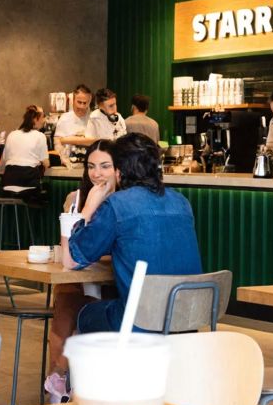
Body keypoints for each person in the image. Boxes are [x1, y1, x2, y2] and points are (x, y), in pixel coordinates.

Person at [62, 133, 202, 333]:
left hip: (139, 324)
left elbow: (71, 261)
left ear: (119, 171)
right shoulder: (182, 202)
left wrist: (88, 208)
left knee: (82, 311)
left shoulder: (118, 204)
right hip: (186, 323)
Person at [43, 138, 118, 404]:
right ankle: (60, 378)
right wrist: (87, 208)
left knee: (83, 301)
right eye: (91, 166)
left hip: (115, 280)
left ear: (118, 169)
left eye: (105, 166)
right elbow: (69, 252)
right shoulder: (75, 199)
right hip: (83, 273)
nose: (97, 174)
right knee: (67, 297)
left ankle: (66, 379)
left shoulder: (123, 202)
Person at [0, 105, 50, 190]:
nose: (44, 120)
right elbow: (46, 163)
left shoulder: (12, 134)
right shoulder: (40, 136)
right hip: (29, 182)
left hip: (8, 181)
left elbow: (4, 160)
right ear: (35, 119)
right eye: (43, 117)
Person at [54, 83, 94, 164]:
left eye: (85, 103)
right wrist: (62, 157)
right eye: (79, 102)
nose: (82, 106)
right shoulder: (64, 119)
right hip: (69, 164)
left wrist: (69, 140)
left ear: (89, 102)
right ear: (73, 100)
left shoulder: (94, 119)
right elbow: (57, 141)